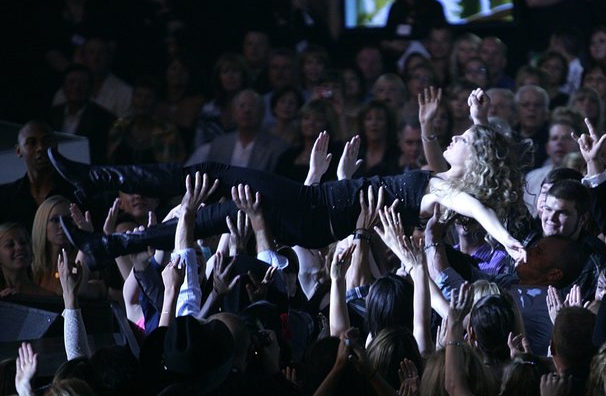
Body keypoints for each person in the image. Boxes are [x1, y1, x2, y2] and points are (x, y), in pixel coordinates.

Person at [49, 87, 528, 269]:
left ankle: (95, 177)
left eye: (462, 137)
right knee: (213, 217)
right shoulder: (443, 178)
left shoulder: (447, 190)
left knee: (211, 172)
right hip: (312, 213)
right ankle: (106, 246)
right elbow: (464, 160)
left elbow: (475, 205)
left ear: (473, 156)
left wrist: (506, 239)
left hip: (313, 209)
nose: (453, 137)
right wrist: (479, 120)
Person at [186, 89, 288, 173]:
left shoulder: (277, 148)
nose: (247, 110)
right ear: (233, 113)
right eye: (242, 106)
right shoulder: (219, 145)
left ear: (262, 113)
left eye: (252, 106)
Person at [0, 121, 77, 230]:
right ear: (18, 151)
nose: (41, 147)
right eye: (32, 143)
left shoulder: (76, 192)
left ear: (56, 145)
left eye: (47, 141)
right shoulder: (5, 198)